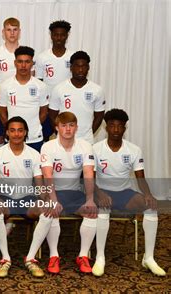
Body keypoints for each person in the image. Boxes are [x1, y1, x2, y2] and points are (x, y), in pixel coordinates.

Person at [92, 109, 166, 277]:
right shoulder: (96, 149)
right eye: (112, 126)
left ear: (125, 128)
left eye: (120, 126)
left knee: (151, 207)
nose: (116, 130)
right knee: (103, 208)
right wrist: (99, 194)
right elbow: (90, 179)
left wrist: (148, 194)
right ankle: (100, 257)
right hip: (102, 191)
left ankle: (149, 258)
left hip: (124, 192)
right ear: (106, 128)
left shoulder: (134, 150)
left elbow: (141, 178)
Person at [39, 111, 97, 274]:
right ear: (57, 128)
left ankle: (83, 256)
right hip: (53, 192)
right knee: (52, 212)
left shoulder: (85, 146)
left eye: (71, 125)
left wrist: (90, 199)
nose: (68, 129)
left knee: (91, 212)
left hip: (74, 192)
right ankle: (53, 255)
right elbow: (47, 175)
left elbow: (88, 173)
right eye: (64, 125)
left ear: (76, 128)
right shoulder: (48, 146)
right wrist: (53, 200)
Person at [0, 116, 43, 278]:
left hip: (27, 198)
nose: (16, 134)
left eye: (20, 130)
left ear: (25, 132)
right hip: (6, 198)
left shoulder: (34, 154)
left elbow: (39, 182)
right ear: (7, 133)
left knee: (47, 212)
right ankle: (5, 259)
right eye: (12, 130)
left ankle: (31, 258)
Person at [0, 46, 48, 152]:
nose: (23, 65)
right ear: (15, 63)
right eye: (20, 61)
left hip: (34, 138)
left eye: (27, 62)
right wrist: (12, 130)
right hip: (13, 139)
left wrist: (33, 126)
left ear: (32, 63)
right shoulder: (5, 86)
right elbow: (2, 112)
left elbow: (44, 112)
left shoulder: (41, 86)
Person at [49, 51, 105, 144]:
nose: (80, 70)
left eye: (83, 66)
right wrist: (61, 133)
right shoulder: (59, 88)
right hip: (63, 140)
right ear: (71, 68)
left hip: (86, 141)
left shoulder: (97, 90)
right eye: (77, 66)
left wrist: (89, 133)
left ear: (88, 68)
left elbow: (99, 116)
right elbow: (52, 115)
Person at [35, 20, 73, 142]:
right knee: (45, 136)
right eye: (56, 34)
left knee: (66, 136)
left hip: (66, 104)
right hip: (47, 105)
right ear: (51, 36)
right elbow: (38, 82)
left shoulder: (72, 57)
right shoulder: (42, 57)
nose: (59, 38)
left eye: (62, 35)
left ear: (67, 36)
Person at [0, 17, 21, 150]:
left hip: (20, 100)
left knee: (18, 134)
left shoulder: (24, 52)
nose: (12, 33)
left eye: (15, 30)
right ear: (3, 32)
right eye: (9, 30)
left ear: (19, 31)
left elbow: (33, 75)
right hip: (2, 101)